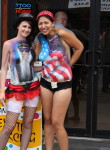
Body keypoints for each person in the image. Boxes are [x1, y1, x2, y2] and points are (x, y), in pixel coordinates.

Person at [35, 10, 84, 150]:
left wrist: (70, 64)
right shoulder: (40, 38)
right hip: (45, 83)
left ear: (52, 23)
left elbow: (80, 47)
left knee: (57, 122)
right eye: (40, 24)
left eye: (46, 23)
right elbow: (37, 60)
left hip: (63, 84)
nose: (43, 26)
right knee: (48, 120)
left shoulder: (61, 34)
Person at [0, 13, 40, 150]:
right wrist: (2, 91)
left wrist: (52, 66)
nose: (27, 29)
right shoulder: (8, 44)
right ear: (18, 27)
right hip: (16, 89)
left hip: (33, 87)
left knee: (27, 123)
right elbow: (3, 68)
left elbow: (33, 66)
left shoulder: (32, 44)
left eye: (29, 27)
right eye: (24, 26)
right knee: (9, 127)